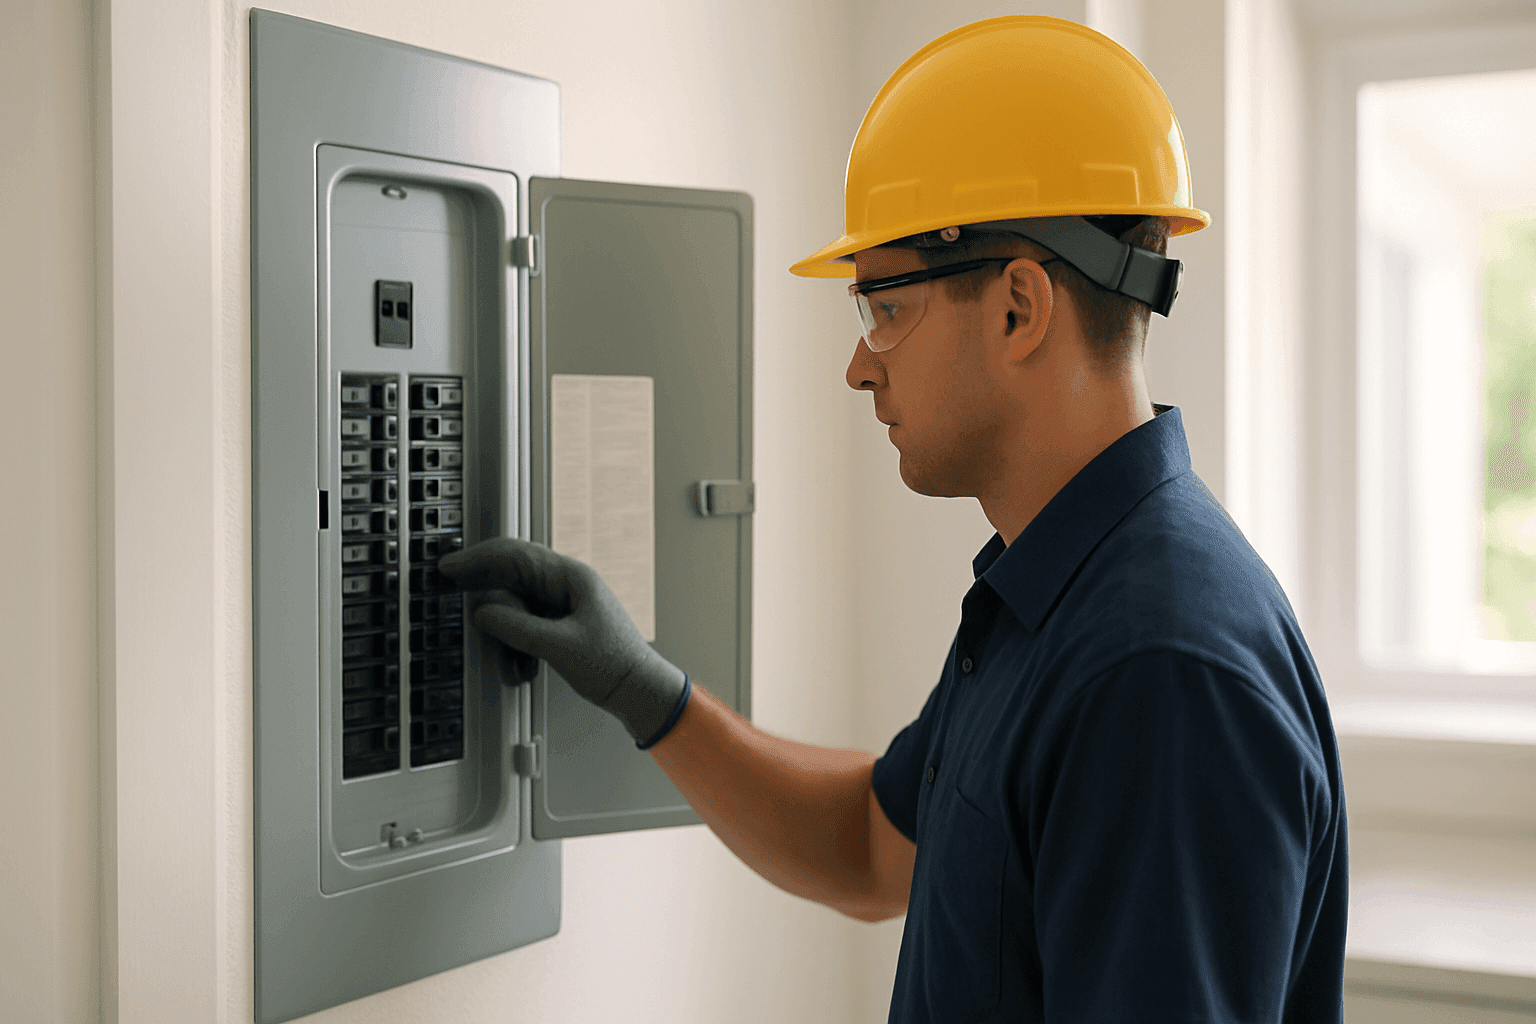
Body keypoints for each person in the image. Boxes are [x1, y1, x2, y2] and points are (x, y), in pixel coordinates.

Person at [439, 15, 1348, 1022]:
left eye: (883, 306)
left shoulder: (1160, 670)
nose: (859, 364)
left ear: (1018, 307)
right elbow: (875, 845)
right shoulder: (1050, 589)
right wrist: (644, 689)